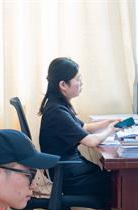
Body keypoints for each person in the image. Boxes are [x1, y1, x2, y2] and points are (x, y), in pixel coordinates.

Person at [39, 57, 118, 200]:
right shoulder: (57, 112)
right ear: (63, 84)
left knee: (114, 178)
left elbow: (84, 127)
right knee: (118, 183)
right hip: (69, 177)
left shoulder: (58, 105)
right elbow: (91, 141)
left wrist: (109, 122)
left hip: (70, 170)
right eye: (78, 79)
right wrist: (110, 130)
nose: (81, 83)